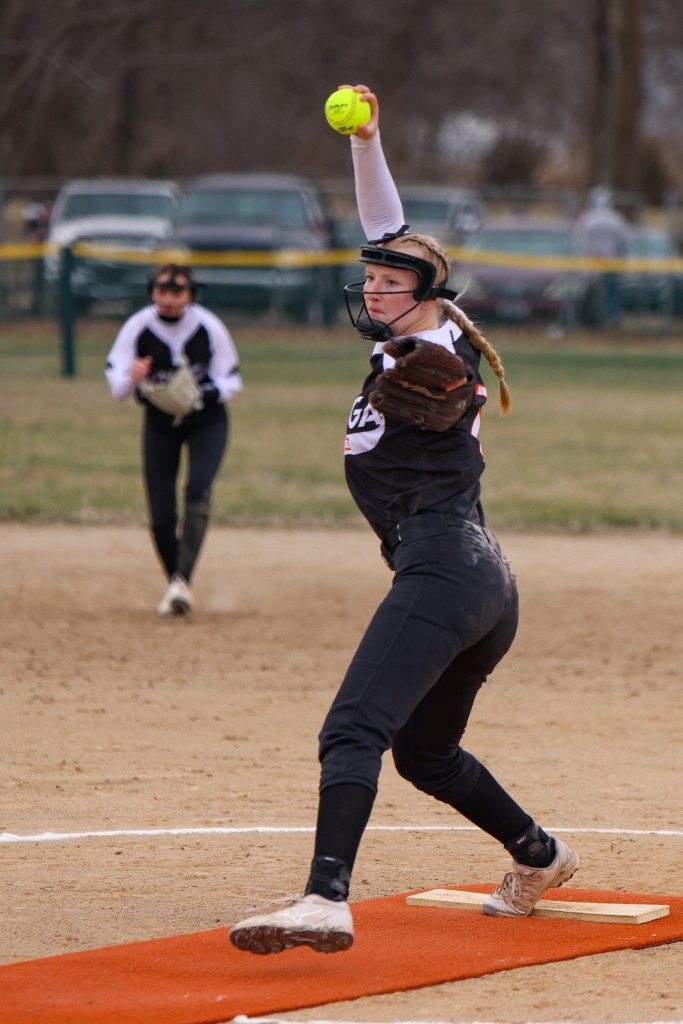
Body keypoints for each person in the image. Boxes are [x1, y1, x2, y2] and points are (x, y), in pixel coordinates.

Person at [229, 85, 579, 955]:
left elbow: (444, 367)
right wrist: (366, 142)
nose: (375, 290)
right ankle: (540, 856)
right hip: (482, 579)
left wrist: (442, 376)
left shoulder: (434, 353)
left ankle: (324, 898)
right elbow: (387, 227)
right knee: (424, 753)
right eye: (372, 279)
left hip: (446, 570)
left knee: (352, 727)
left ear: (426, 295)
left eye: (392, 283)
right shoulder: (403, 340)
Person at [105, 263, 242, 617]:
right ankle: (178, 585)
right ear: (152, 291)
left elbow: (231, 381)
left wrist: (198, 395)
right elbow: (118, 388)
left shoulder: (208, 326)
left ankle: (180, 583)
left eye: (177, 291)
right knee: (162, 513)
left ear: (191, 294)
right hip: (160, 423)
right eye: (162, 290)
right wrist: (133, 376)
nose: (168, 298)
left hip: (206, 421)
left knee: (198, 489)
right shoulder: (138, 326)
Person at [574, 187, 629, 327]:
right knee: (611, 291)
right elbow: (623, 241)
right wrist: (620, 257)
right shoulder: (616, 219)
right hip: (611, 261)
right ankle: (612, 318)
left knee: (593, 291)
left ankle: (591, 318)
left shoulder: (587, 218)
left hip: (592, 262)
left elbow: (578, 239)